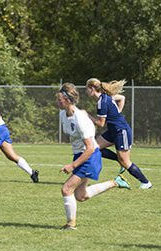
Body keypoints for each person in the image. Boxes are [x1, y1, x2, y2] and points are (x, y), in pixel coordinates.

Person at [58, 82, 131, 230]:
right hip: (81, 155)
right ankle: (116, 182)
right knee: (81, 195)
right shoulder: (62, 114)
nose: (57, 101)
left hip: (90, 156)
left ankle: (70, 225)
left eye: (59, 98)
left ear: (67, 100)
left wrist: (73, 165)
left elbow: (91, 147)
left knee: (66, 189)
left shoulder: (81, 118)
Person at [85, 78, 153, 189]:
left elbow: (100, 123)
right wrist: (117, 112)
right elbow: (122, 98)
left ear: (92, 88)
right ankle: (118, 158)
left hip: (121, 131)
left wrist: (87, 115)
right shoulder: (106, 97)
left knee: (125, 162)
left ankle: (146, 182)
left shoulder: (102, 101)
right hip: (113, 130)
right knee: (94, 147)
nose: (86, 91)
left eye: (86, 89)